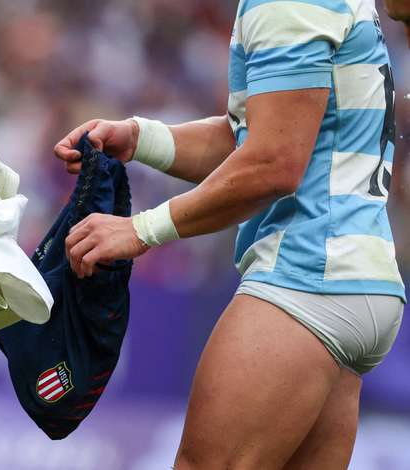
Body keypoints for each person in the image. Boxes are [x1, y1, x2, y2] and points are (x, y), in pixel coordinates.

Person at [55, 0, 405, 468]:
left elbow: (274, 163)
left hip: (307, 279)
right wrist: (142, 138)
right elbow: (261, 135)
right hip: (353, 280)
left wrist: (141, 230)